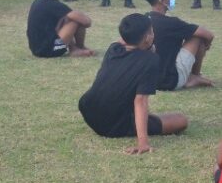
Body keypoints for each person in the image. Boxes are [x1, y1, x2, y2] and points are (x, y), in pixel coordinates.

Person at [77, 13, 189, 154]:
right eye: (152, 31)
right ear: (148, 37)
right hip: (113, 125)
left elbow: (126, 42)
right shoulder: (150, 60)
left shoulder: (114, 49)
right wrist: (143, 142)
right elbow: (140, 101)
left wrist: (146, 46)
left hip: (88, 111)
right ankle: (139, 126)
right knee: (181, 120)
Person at [142, 0, 215, 90]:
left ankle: (191, 76)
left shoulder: (143, 19)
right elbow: (208, 35)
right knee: (197, 37)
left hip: (148, 80)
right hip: (170, 81)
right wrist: (206, 46)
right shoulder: (172, 23)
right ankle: (194, 76)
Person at [27, 0, 95, 57]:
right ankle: (79, 48)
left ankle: (74, 49)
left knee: (65, 19)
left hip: (37, 49)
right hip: (48, 50)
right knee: (75, 21)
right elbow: (86, 22)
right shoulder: (51, 3)